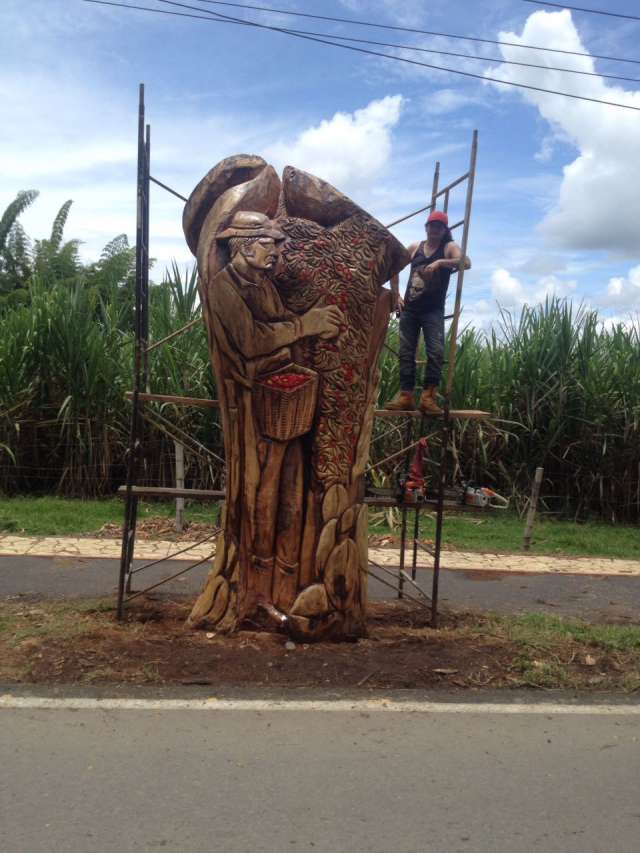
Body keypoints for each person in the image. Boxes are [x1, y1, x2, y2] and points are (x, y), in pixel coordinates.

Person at [385, 210, 471, 415]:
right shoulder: (416, 247)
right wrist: (396, 294)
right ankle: (406, 396)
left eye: (438, 227)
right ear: (426, 227)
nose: (434, 230)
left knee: (436, 352)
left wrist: (442, 262)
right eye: (431, 226)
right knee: (406, 353)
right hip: (410, 310)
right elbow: (394, 265)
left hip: (432, 311)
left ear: (444, 230)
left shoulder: (448, 248)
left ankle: (428, 397)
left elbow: (466, 262)